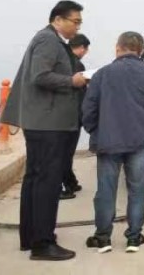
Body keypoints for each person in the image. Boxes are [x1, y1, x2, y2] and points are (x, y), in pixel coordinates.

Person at [1, 0, 87, 261]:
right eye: (75, 21)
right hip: (49, 124)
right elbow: (40, 76)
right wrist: (72, 81)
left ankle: (30, 237)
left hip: (42, 123)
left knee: (35, 180)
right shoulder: (48, 40)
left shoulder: (48, 39)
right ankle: (43, 243)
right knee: (47, 182)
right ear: (58, 19)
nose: (78, 27)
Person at [82, 32, 144, 254]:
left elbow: (88, 110)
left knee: (106, 191)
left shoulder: (102, 74)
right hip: (140, 142)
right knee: (137, 190)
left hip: (108, 142)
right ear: (141, 51)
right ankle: (133, 238)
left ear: (118, 48)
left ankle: (103, 238)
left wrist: (95, 131)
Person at [61, 33, 91, 199]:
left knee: (66, 152)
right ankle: (67, 187)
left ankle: (71, 183)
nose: (85, 53)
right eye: (86, 50)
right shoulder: (76, 64)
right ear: (81, 48)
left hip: (67, 115)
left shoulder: (64, 61)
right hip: (73, 115)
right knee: (66, 153)